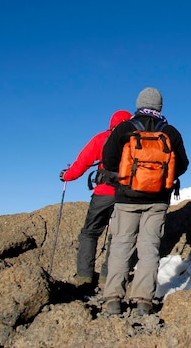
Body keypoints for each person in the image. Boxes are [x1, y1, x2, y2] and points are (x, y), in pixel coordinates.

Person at [101, 87, 189, 316]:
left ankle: (113, 299)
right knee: (149, 248)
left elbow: (108, 159)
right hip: (158, 200)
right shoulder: (170, 132)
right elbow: (183, 164)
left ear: (138, 104)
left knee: (121, 245)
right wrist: (160, 178)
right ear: (160, 106)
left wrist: (126, 176)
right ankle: (143, 301)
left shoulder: (124, 128)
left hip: (126, 197)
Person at [60, 109, 133, 289]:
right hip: (126, 195)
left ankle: (84, 277)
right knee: (117, 236)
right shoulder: (135, 141)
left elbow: (82, 162)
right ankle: (107, 277)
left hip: (103, 192)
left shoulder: (101, 138)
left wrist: (67, 176)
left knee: (89, 233)